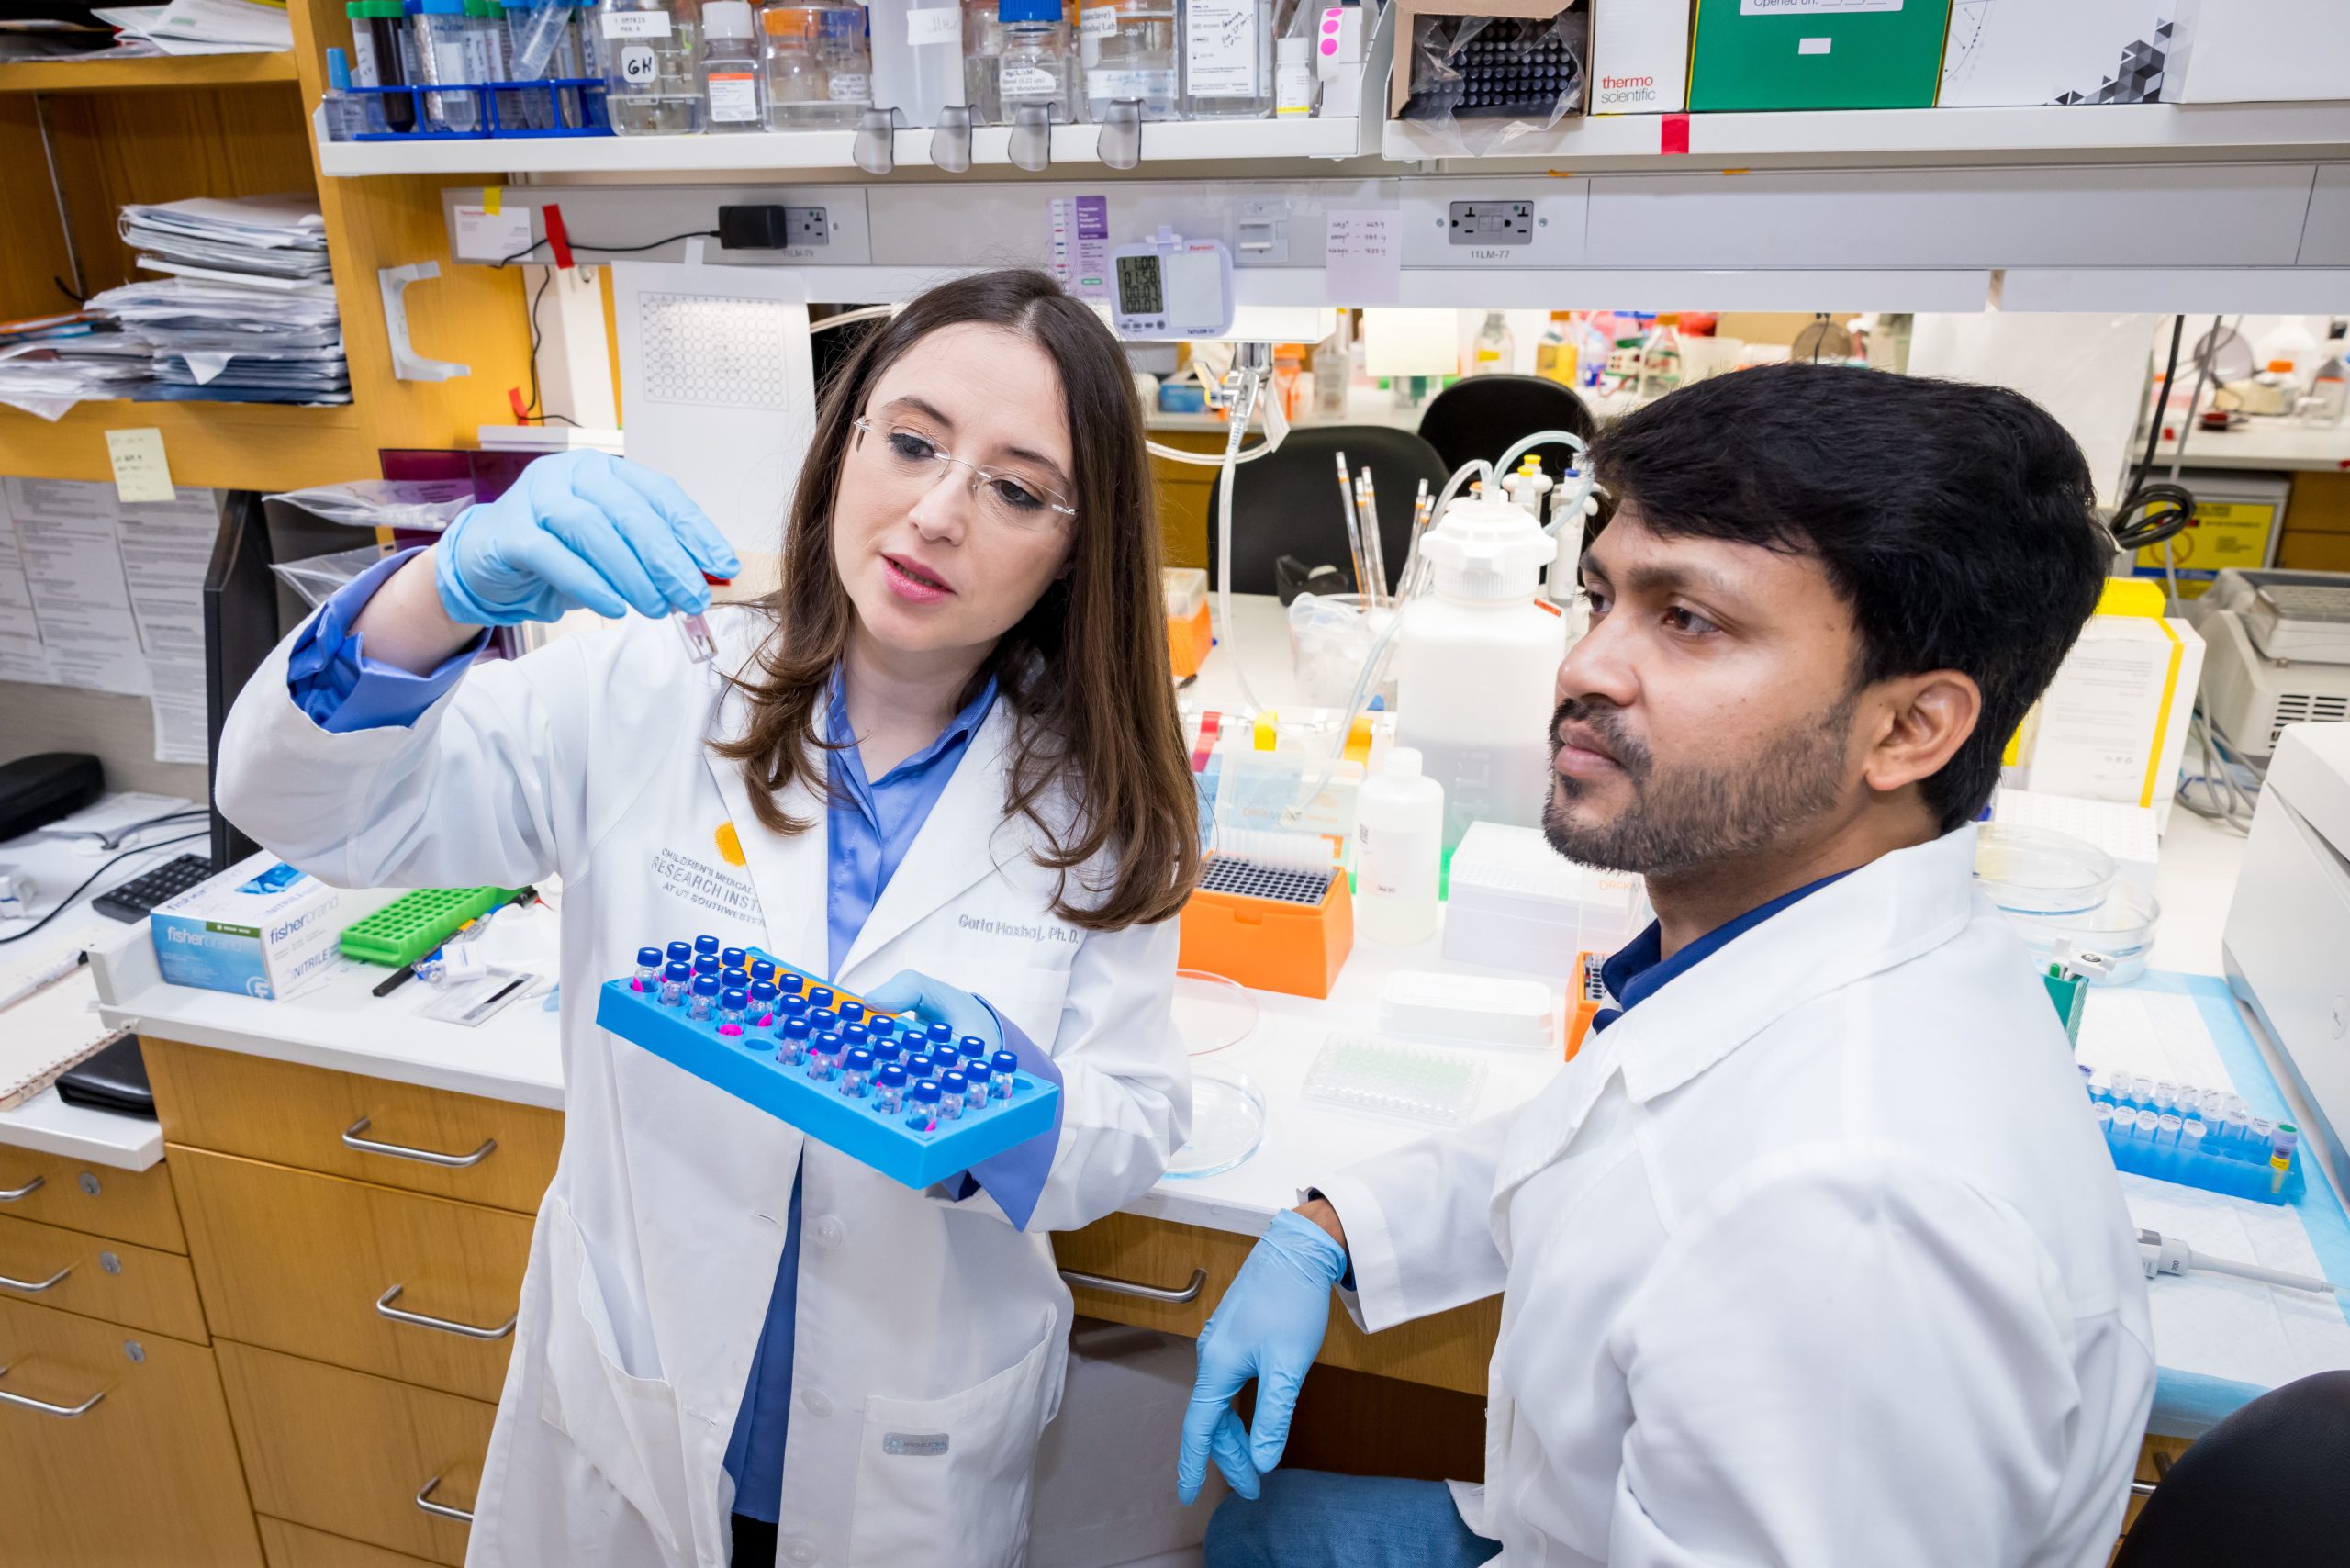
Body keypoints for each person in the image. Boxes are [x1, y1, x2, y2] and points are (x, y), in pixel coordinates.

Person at [217, 269, 1200, 1568]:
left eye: (1017, 491)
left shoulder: (1106, 803)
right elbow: (297, 805)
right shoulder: (647, 686)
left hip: (912, 1452)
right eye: (912, 443)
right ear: (845, 443)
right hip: (638, 1401)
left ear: (1079, 545)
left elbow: (1136, 1118)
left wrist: (1003, 1111)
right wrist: (439, 588)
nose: (937, 513)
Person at [1179, 363, 2157, 1567]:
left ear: (1909, 729)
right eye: (1601, 597)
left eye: (1689, 620)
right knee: (1256, 1533)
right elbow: (1614, 1136)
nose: (1585, 667)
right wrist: (1336, 1226)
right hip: (1579, 1525)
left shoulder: (1855, 1221)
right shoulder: (1799, 939)